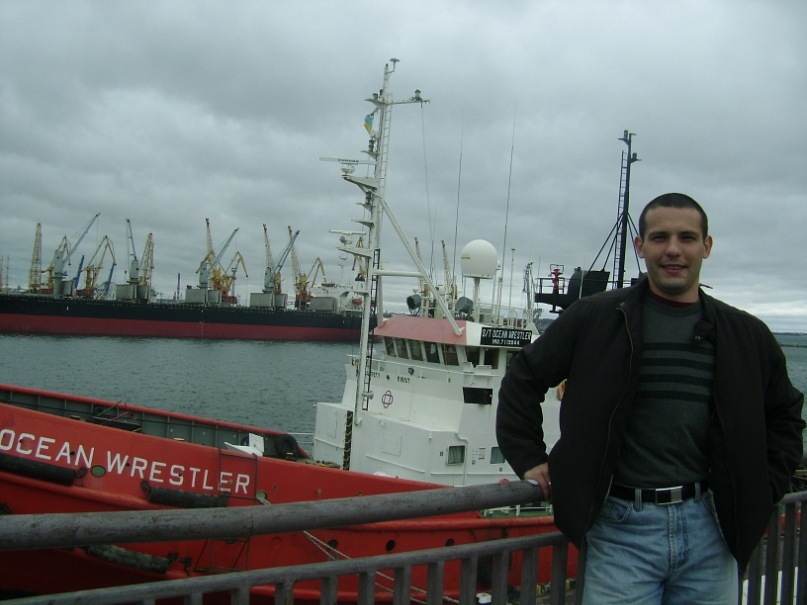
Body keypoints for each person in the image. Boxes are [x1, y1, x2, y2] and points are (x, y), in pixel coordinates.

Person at [496, 193, 804, 604]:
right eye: (660, 238)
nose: (673, 249)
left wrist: (764, 486)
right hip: (620, 529)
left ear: (706, 246)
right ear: (641, 246)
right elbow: (523, 377)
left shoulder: (746, 334)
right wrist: (528, 456)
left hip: (712, 529)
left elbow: (785, 416)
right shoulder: (593, 318)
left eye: (687, 238)